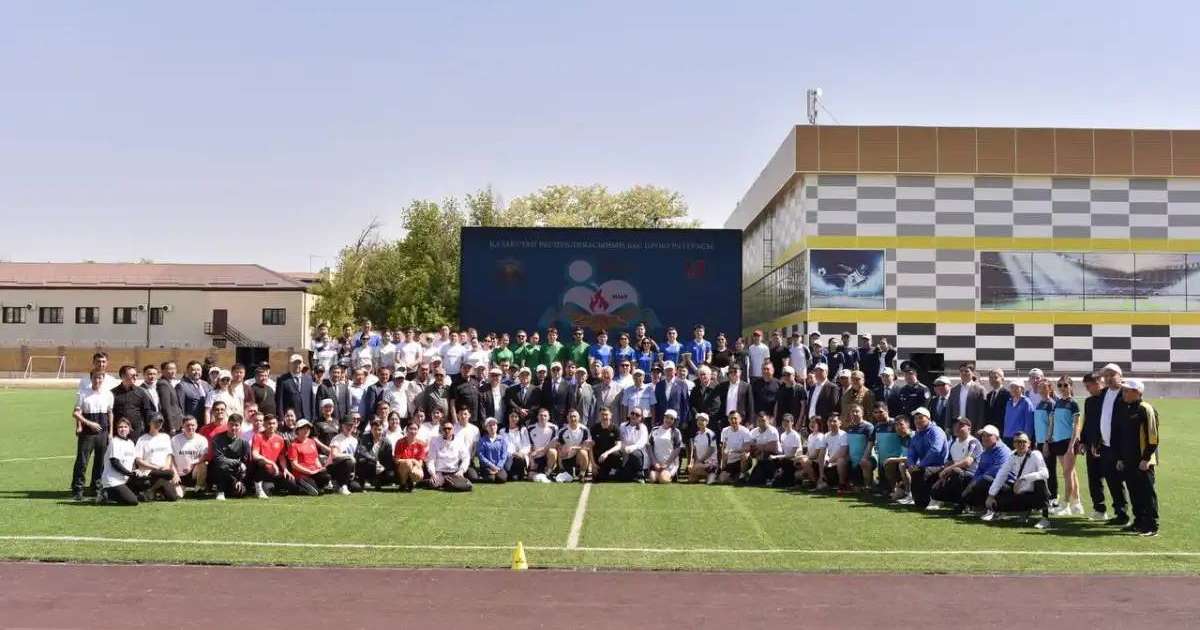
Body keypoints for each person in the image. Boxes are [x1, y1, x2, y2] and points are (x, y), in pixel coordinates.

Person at [1112, 379, 1160, 536]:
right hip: (1128, 461)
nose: (1123, 393)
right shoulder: (1125, 408)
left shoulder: (1145, 409)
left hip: (1143, 462)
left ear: (1137, 392)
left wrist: (1146, 459)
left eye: (1127, 390)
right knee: (1134, 493)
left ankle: (1151, 525)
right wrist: (1120, 458)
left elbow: (1153, 438)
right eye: (1124, 390)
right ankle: (1139, 522)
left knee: (1147, 493)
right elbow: (1121, 437)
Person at [1079, 372, 1127, 522]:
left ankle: (1121, 511)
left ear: (1099, 382)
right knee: (1094, 479)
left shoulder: (1110, 395)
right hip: (1091, 446)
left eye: (1089, 386)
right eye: (1085, 386)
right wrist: (1083, 442)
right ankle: (1099, 509)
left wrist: (1098, 441)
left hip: (1107, 446)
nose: (1087, 389)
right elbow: (1087, 424)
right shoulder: (1089, 401)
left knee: (1114, 479)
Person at [984, 431, 1051, 529]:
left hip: (1034, 493)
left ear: (1029, 443)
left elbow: (1045, 473)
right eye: (1017, 442)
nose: (1021, 444)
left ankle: (1045, 519)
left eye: (1023, 441)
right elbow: (1001, 474)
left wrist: (1024, 478)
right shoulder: (1012, 456)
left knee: (1040, 482)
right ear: (1014, 444)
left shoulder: (1035, 454)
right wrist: (991, 495)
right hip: (1020, 492)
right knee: (996, 501)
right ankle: (1019, 513)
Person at [71, 370, 114, 501]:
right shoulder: (83, 393)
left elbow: (110, 413)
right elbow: (76, 413)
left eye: (100, 378)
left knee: (100, 462)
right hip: (88, 433)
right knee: (82, 461)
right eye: (95, 378)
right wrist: (88, 424)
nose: (97, 380)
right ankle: (78, 489)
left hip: (103, 431)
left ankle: (96, 488)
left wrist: (111, 432)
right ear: (91, 378)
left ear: (103, 379)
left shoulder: (108, 394)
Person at [1045, 376, 1083, 515]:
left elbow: (1076, 426)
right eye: (1059, 385)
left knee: (1067, 473)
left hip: (1069, 441)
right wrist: (1048, 439)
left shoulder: (1073, 403)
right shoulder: (1057, 403)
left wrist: (1072, 445)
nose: (1062, 388)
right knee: (1070, 472)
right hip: (1058, 441)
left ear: (1071, 386)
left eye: (1065, 385)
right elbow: (1053, 423)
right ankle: (1076, 502)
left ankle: (1066, 505)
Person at [928, 418, 982, 510]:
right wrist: (942, 476)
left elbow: (967, 462)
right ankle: (945, 500)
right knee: (935, 491)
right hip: (955, 474)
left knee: (955, 471)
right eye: (955, 425)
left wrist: (948, 470)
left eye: (961, 425)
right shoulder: (954, 442)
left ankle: (963, 504)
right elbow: (949, 462)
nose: (957, 427)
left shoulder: (973, 442)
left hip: (972, 476)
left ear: (969, 428)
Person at [957, 424, 1012, 514]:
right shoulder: (986, 451)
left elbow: (997, 471)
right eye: (983, 436)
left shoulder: (1003, 451)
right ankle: (972, 505)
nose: (985, 438)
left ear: (997, 438)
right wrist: (971, 484)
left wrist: (975, 483)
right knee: (965, 478)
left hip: (1006, 484)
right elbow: (979, 470)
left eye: (989, 436)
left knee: (984, 480)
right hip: (988, 480)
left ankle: (989, 508)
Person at [905, 407, 948, 509]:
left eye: (921, 418)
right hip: (925, 466)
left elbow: (935, 450)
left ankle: (935, 499)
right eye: (916, 419)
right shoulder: (916, 435)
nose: (918, 421)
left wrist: (920, 464)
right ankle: (920, 501)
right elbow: (911, 452)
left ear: (928, 418)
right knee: (915, 471)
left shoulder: (936, 431)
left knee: (920, 471)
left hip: (940, 465)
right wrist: (911, 465)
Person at [132, 415, 179, 501]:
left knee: (173, 497)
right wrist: (155, 467)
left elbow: (169, 454)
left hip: (164, 471)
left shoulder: (165, 437)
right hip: (149, 471)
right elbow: (138, 460)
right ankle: (156, 491)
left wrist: (167, 465)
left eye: (160, 422)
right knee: (169, 474)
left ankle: (151, 491)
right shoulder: (142, 439)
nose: (158, 424)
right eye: (155, 422)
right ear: (149, 423)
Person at [98, 418, 142, 505]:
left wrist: (135, 471)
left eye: (125, 427)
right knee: (133, 501)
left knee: (145, 482)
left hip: (125, 479)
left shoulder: (130, 443)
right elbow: (115, 463)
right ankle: (106, 494)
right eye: (120, 427)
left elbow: (132, 462)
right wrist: (129, 474)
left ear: (129, 429)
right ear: (117, 429)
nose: (123, 429)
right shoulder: (115, 442)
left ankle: (122, 493)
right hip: (113, 481)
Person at [250, 413, 292, 498]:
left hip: (274, 471)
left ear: (277, 425)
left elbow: (281, 457)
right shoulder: (258, 436)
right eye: (269, 423)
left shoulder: (280, 439)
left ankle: (272, 486)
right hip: (261, 470)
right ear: (264, 425)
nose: (271, 426)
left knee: (292, 484)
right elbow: (255, 454)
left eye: (274, 423)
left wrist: (285, 469)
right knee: (261, 462)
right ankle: (258, 486)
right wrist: (271, 463)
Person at [210, 413, 250, 500]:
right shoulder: (217, 439)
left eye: (236, 425)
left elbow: (245, 463)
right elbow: (219, 459)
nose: (233, 428)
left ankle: (230, 488)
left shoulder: (244, 443)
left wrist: (240, 480)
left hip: (234, 473)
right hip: (218, 471)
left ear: (240, 427)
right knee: (222, 465)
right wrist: (238, 462)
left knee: (241, 492)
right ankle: (220, 491)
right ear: (227, 424)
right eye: (231, 424)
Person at [426, 420, 473, 491]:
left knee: (467, 486)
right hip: (440, 472)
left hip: (454, 473)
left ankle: (447, 483)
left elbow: (466, 457)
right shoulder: (434, 440)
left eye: (449, 428)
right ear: (441, 430)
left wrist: (461, 471)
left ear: (453, 430)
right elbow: (431, 460)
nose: (447, 430)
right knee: (433, 484)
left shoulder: (459, 441)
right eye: (445, 429)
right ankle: (445, 483)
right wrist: (433, 474)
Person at [111, 365, 155, 439]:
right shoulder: (113, 393)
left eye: (136, 375)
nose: (135, 377)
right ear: (123, 376)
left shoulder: (141, 392)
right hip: (119, 432)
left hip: (137, 432)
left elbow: (147, 412)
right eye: (132, 375)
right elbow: (110, 413)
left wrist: (149, 430)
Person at [170, 416, 208, 497]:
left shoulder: (202, 439)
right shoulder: (175, 439)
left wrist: (192, 464)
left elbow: (204, 456)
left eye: (193, 425)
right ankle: (183, 488)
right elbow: (171, 459)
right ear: (183, 426)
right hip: (179, 475)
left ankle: (199, 488)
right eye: (187, 425)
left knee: (203, 465)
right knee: (178, 496)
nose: (190, 427)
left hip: (193, 473)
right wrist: (175, 474)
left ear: (197, 425)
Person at [275, 354, 315, 423]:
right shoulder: (283, 380)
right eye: (294, 363)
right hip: (290, 418)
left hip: (306, 417)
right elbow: (279, 400)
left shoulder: (308, 379)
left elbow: (311, 399)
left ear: (302, 364)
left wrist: (313, 417)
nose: (297, 366)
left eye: (299, 363)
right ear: (290, 364)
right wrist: (281, 418)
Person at [356, 418, 395, 489]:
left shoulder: (387, 442)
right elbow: (363, 452)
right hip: (369, 464)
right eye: (375, 429)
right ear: (371, 430)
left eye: (379, 429)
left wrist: (383, 467)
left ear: (383, 430)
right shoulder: (364, 438)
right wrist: (375, 462)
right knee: (362, 462)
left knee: (391, 475)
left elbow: (388, 459)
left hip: (381, 467)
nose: (377, 432)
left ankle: (376, 481)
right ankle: (367, 480)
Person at [947, 363, 987, 430]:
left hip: (972, 428)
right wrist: (948, 427)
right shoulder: (954, 390)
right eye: (961, 371)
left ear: (973, 373)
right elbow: (949, 410)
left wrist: (979, 428)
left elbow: (982, 412)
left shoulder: (980, 390)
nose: (963, 373)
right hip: (957, 427)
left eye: (966, 371)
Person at [646, 409, 683, 484]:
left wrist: (667, 464)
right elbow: (649, 447)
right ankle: (660, 474)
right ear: (664, 417)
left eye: (671, 418)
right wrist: (655, 462)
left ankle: (670, 475)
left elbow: (677, 449)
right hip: (656, 464)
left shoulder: (676, 432)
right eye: (667, 417)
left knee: (663, 480)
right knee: (652, 479)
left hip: (670, 464)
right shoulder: (654, 429)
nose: (668, 420)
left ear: (674, 421)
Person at [556, 409, 592, 482]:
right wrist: (561, 466)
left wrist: (574, 448)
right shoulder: (562, 431)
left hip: (578, 457)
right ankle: (562, 470)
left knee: (583, 452)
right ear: (567, 418)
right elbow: (559, 448)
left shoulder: (584, 430)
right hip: (567, 457)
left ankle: (582, 474)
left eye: (575, 416)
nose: (573, 419)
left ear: (579, 418)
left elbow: (588, 447)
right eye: (571, 417)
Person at [746, 411, 780, 486]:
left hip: (774, 458)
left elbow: (773, 447)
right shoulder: (753, 432)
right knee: (753, 481)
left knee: (765, 455)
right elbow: (749, 446)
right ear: (756, 422)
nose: (761, 423)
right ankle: (744, 475)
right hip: (759, 457)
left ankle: (772, 476)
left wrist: (759, 447)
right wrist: (759, 448)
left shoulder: (773, 431)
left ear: (768, 420)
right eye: (759, 421)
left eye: (763, 421)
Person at [718, 411, 753, 483]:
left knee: (744, 454)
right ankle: (736, 476)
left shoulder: (745, 431)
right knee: (722, 479)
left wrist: (733, 450)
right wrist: (723, 466)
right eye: (731, 419)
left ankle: (743, 474)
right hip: (731, 461)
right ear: (728, 420)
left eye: (735, 418)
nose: (733, 421)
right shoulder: (724, 431)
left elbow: (747, 448)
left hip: (742, 460)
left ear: (740, 419)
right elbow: (724, 448)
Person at [329, 418, 362, 494]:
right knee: (348, 461)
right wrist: (349, 456)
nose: (349, 427)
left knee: (357, 488)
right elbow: (334, 455)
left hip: (349, 469)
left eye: (351, 425)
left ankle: (339, 485)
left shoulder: (355, 440)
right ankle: (343, 486)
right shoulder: (336, 439)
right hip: (335, 467)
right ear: (342, 426)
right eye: (347, 425)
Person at [589, 408, 623, 482]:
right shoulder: (594, 428)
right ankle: (606, 474)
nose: (604, 417)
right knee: (599, 478)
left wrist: (606, 453)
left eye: (606, 415)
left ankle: (614, 471)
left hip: (611, 457)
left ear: (610, 416)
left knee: (616, 454)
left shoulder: (615, 428)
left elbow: (619, 445)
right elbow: (590, 447)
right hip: (599, 459)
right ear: (599, 416)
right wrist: (593, 464)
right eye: (602, 415)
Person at [392, 422, 427, 492]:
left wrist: (413, 466)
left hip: (414, 467)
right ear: (406, 430)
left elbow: (420, 462)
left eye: (415, 429)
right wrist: (412, 460)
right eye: (411, 429)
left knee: (418, 474)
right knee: (408, 463)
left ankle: (411, 482)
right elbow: (396, 460)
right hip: (401, 468)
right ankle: (403, 484)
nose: (413, 431)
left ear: (418, 431)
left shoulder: (421, 444)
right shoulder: (400, 442)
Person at [618, 408, 650, 483]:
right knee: (622, 478)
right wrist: (623, 449)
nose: (634, 416)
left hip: (639, 457)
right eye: (632, 413)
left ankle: (640, 475)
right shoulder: (622, 426)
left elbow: (642, 442)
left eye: (637, 415)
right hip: (625, 456)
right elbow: (620, 440)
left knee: (635, 453)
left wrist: (630, 448)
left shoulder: (643, 427)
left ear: (641, 418)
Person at [770, 414, 803, 487]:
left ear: (792, 423)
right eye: (783, 421)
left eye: (787, 421)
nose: (785, 423)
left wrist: (777, 457)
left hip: (793, 461)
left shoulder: (795, 435)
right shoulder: (783, 435)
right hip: (785, 459)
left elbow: (793, 454)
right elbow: (782, 450)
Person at [474, 417, 509, 483]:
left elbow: (504, 455)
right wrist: (492, 466)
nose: (492, 427)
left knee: (502, 479)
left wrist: (498, 467)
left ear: (497, 426)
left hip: (499, 466)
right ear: (486, 427)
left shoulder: (502, 439)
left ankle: (496, 473)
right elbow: (481, 456)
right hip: (487, 467)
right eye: (490, 425)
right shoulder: (482, 440)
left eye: (494, 425)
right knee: (491, 479)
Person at [687, 413, 719, 484]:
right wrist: (693, 462)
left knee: (694, 469)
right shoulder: (696, 434)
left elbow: (711, 450)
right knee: (691, 480)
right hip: (700, 463)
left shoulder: (711, 434)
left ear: (707, 422)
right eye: (698, 420)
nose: (700, 422)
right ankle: (706, 475)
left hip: (711, 464)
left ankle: (713, 474)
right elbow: (695, 451)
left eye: (702, 420)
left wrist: (699, 461)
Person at [528, 408, 559, 480]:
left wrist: (540, 450)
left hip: (546, 455)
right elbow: (529, 445)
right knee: (530, 477)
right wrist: (531, 459)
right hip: (535, 456)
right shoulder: (530, 428)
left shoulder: (554, 428)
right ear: (537, 416)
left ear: (549, 417)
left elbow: (554, 444)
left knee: (553, 451)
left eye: (545, 416)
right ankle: (537, 471)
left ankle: (548, 472)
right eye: (541, 415)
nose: (543, 417)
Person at [1002, 380, 1035, 448]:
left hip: (1020, 438)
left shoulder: (1026, 402)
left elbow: (1029, 423)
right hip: (1007, 437)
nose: (1013, 389)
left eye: (1016, 387)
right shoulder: (1008, 402)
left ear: (1022, 389)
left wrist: (1026, 438)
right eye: (1011, 387)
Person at [795, 417, 826, 488]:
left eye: (814, 422)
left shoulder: (820, 436)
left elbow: (816, 455)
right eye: (810, 422)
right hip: (811, 461)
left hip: (818, 463)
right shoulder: (810, 436)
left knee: (803, 460)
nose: (811, 424)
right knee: (797, 474)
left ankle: (815, 482)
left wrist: (802, 457)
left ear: (819, 424)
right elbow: (808, 453)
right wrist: (800, 457)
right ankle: (809, 481)